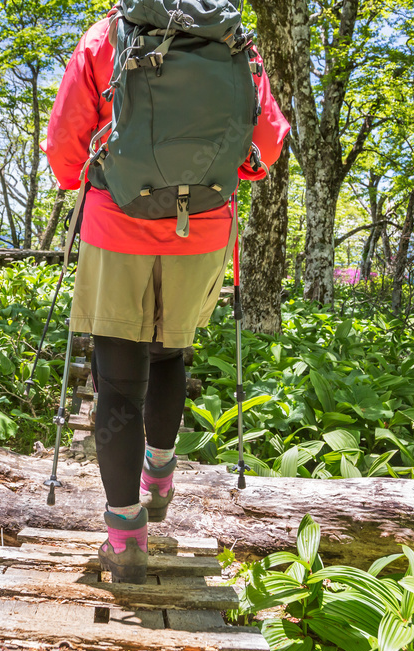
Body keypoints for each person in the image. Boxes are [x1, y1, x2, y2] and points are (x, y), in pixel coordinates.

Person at [42, 4, 289, 584]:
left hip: (114, 224)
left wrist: (101, 185)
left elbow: (64, 145)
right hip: (202, 229)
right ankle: (159, 476)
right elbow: (267, 144)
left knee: (117, 372)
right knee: (170, 352)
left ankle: (125, 536)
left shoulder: (107, 37)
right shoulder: (237, 44)